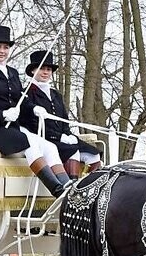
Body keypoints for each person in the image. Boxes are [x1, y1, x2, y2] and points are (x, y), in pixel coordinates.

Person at [0, 25, 69, 196]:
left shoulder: (12, 72)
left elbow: (20, 98)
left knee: (49, 147)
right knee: (29, 143)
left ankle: (67, 187)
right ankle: (56, 190)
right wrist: (2, 115)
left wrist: (34, 108)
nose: (2, 51)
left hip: (12, 127)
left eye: (6, 47)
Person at [20, 50, 101, 178]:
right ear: (33, 71)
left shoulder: (56, 94)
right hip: (44, 140)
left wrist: (68, 135)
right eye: (42, 69)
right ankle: (71, 186)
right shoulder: (26, 94)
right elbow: (32, 125)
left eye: (48, 69)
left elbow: (64, 119)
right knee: (72, 152)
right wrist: (59, 137)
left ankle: (90, 185)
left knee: (94, 154)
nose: (45, 72)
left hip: (63, 138)